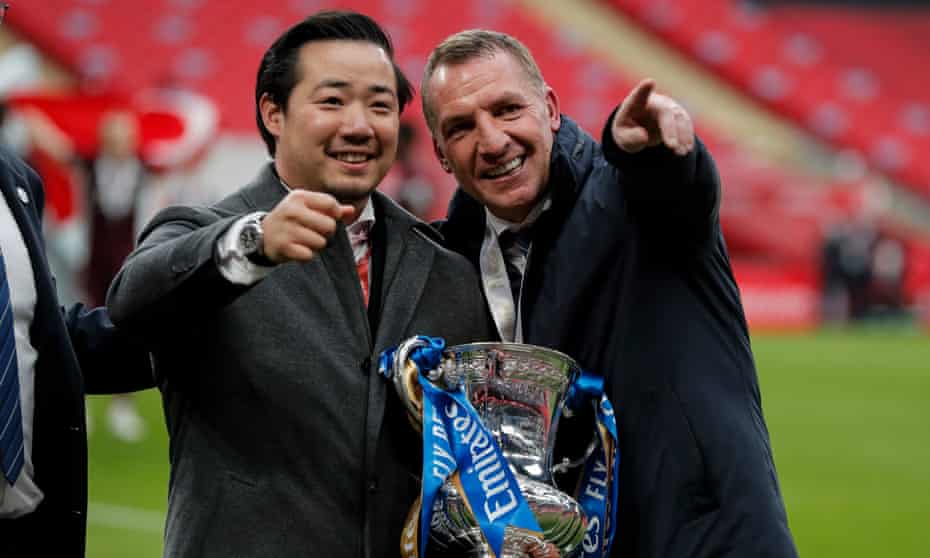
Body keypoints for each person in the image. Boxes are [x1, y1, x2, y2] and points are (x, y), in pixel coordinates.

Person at [106, 11, 493, 558]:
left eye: (380, 105)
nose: (359, 125)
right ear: (273, 112)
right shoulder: (210, 237)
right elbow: (132, 301)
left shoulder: (445, 269)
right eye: (332, 101)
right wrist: (253, 244)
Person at [423, 30, 798, 557]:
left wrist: (648, 151)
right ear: (441, 154)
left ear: (550, 109)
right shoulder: (452, 259)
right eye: (461, 127)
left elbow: (677, 189)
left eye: (507, 109)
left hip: (703, 542)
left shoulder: (628, 196)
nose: (492, 141)